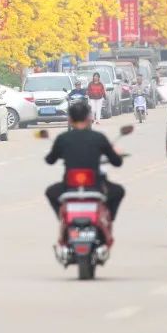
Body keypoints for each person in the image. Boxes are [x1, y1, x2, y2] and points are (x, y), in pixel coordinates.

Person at [44, 102, 125, 243]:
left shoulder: (63, 138)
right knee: (118, 191)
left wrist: (57, 150)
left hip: (69, 187)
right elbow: (117, 162)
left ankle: (63, 218)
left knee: (50, 192)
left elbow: (50, 160)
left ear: (69, 119)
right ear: (89, 118)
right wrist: (116, 153)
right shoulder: (99, 138)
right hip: (96, 185)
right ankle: (108, 219)